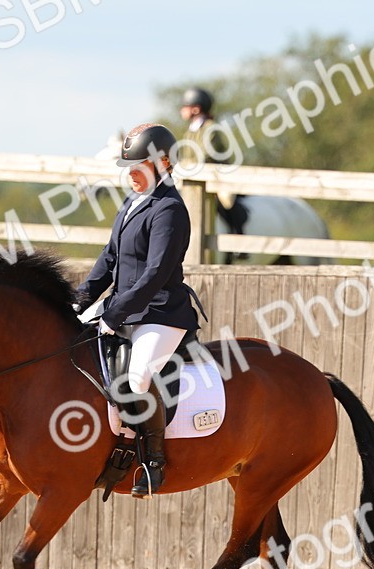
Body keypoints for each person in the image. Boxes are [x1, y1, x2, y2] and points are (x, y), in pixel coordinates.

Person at [74, 123, 201, 498]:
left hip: (160, 313)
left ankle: (154, 463)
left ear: (164, 163)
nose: (131, 173)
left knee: (137, 378)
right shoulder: (133, 202)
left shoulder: (170, 209)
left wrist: (112, 314)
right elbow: (109, 258)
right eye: (128, 166)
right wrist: (81, 301)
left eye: (139, 165)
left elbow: (155, 274)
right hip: (124, 308)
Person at [178, 87, 249, 237]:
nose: (182, 110)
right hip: (195, 177)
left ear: (196, 109)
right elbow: (185, 155)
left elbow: (205, 155)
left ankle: (237, 233)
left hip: (218, 177)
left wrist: (186, 166)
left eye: (185, 106)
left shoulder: (211, 128)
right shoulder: (189, 131)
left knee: (226, 201)